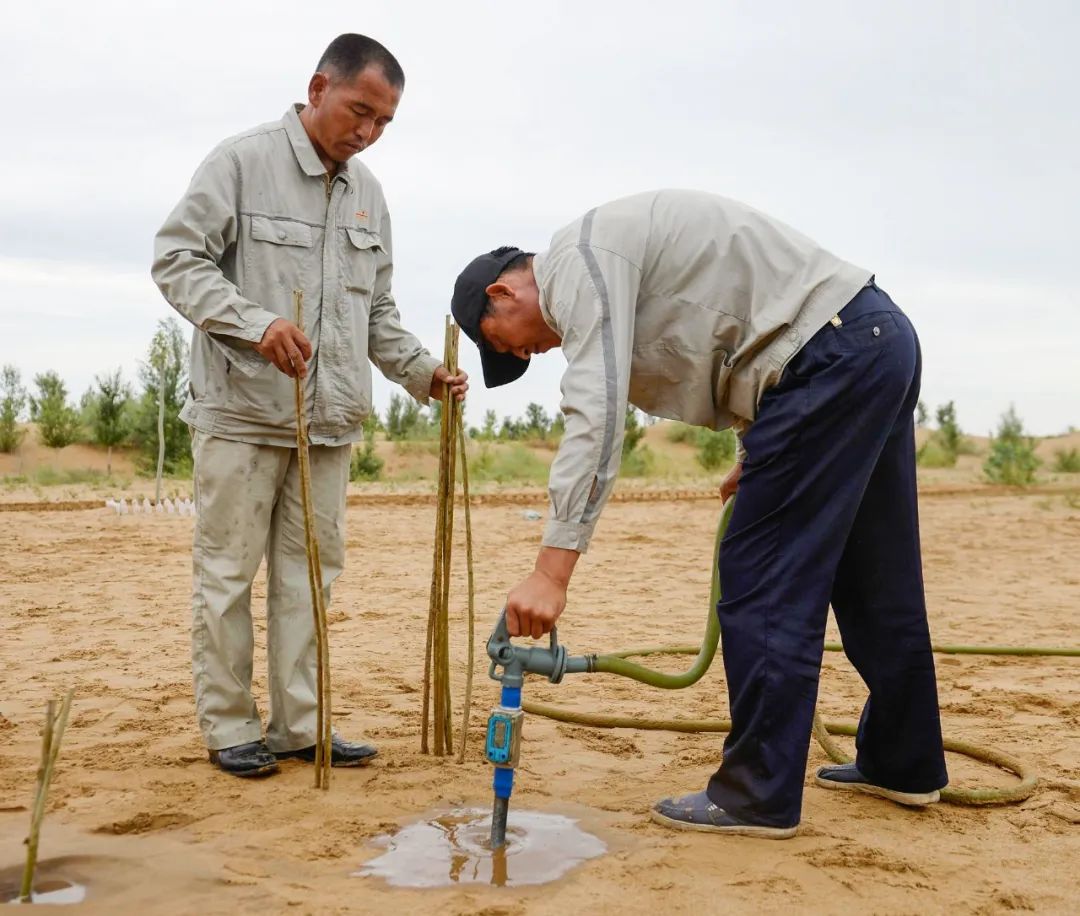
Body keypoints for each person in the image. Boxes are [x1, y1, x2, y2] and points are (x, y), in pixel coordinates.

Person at [450, 189, 947, 837]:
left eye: (503, 344)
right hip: (869, 344)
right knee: (872, 572)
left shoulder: (577, 262)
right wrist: (759, 439)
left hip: (827, 363)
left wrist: (551, 572)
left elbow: (596, 415)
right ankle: (903, 762)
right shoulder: (606, 255)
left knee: (758, 573)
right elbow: (733, 329)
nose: (521, 356)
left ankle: (756, 796)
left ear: (504, 293)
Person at [152, 34, 467, 778]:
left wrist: (423, 374)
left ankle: (300, 724)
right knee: (227, 577)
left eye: (384, 122)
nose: (368, 133)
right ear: (318, 87)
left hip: (328, 424)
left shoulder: (369, 195)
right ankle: (230, 728)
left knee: (310, 581)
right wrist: (256, 324)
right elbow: (175, 259)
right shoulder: (241, 162)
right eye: (360, 111)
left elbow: (377, 313)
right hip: (241, 414)